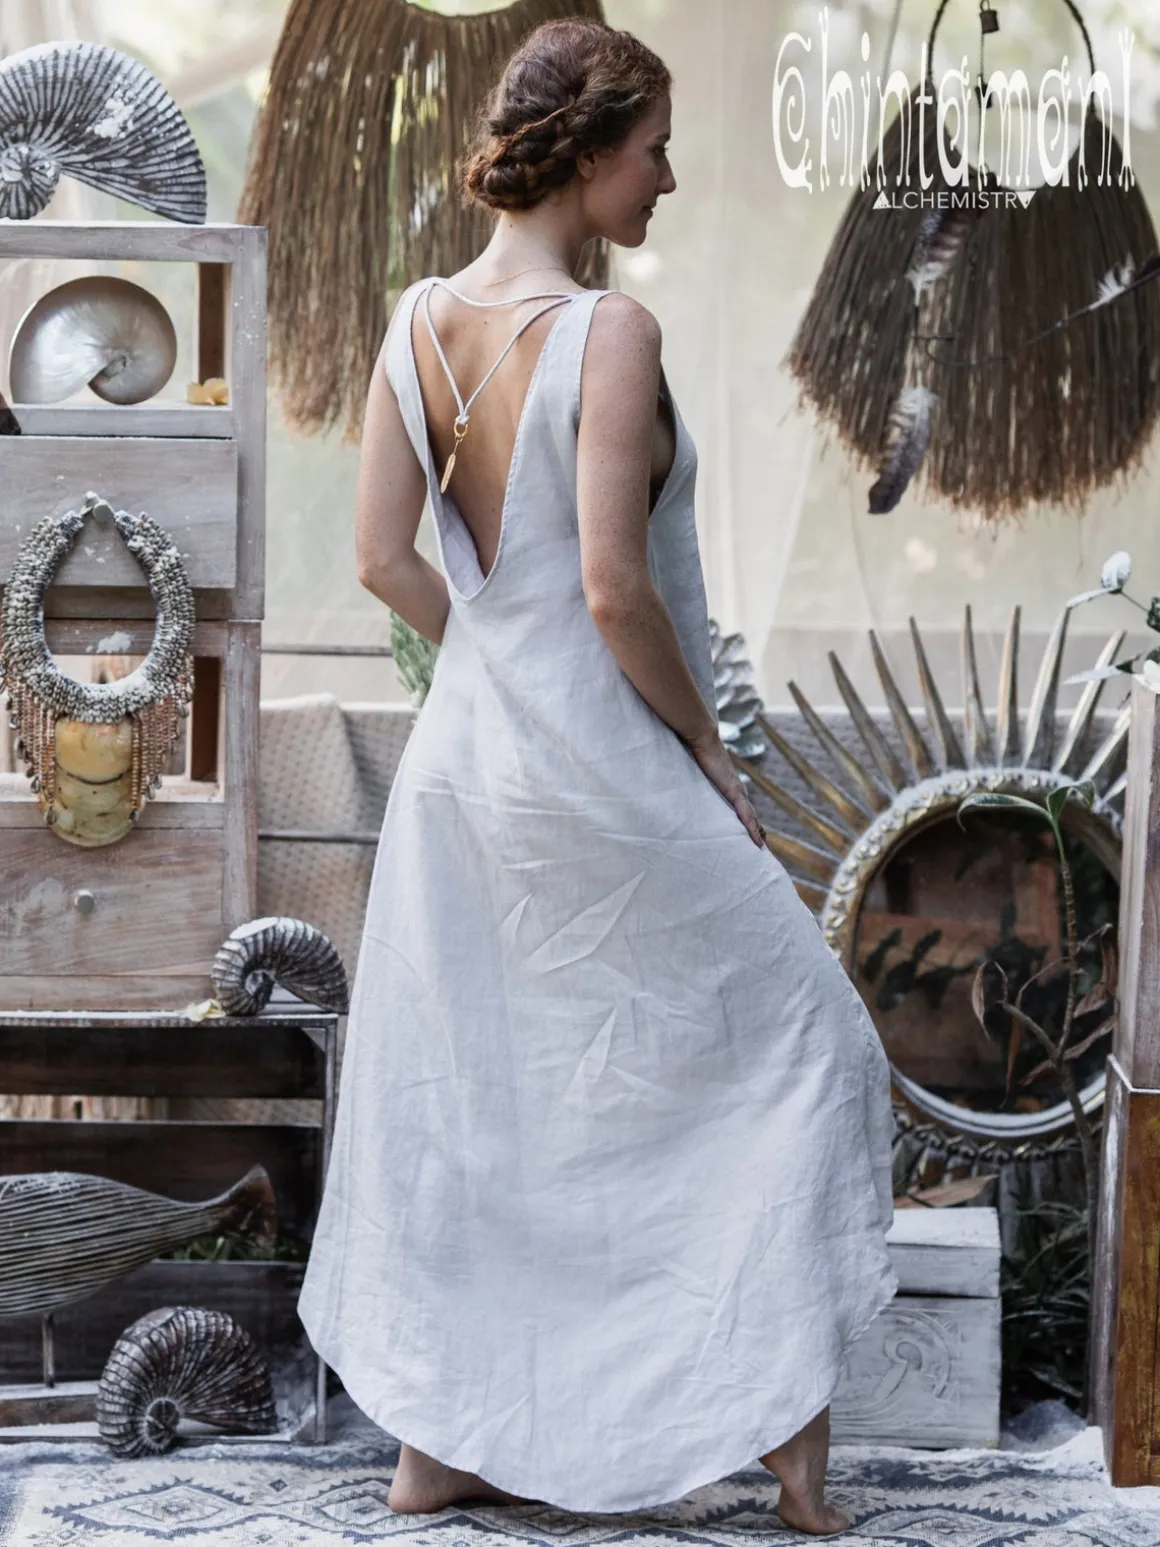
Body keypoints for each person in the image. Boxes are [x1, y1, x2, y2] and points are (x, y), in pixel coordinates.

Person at [297, 17, 899, 1537]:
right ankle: (789, 1447)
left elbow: (378, 558)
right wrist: (706, 745)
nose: (669, 181)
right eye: (654, 151)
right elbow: (618, 592)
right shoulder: (609, 331)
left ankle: (442, 1449)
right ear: (586, 155)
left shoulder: (416, 320)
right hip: (601, 768)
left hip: (466, 770)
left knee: (489, 1096)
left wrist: (494, 654)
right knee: (808, 1042)